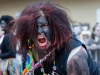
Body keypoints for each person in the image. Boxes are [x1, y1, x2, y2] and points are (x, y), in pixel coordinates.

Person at [11, 2, 100, 75]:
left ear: (55, 28)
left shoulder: (75, 57)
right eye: (33, 27)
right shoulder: (29, 51)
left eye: (44, 25)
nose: (39, 31)